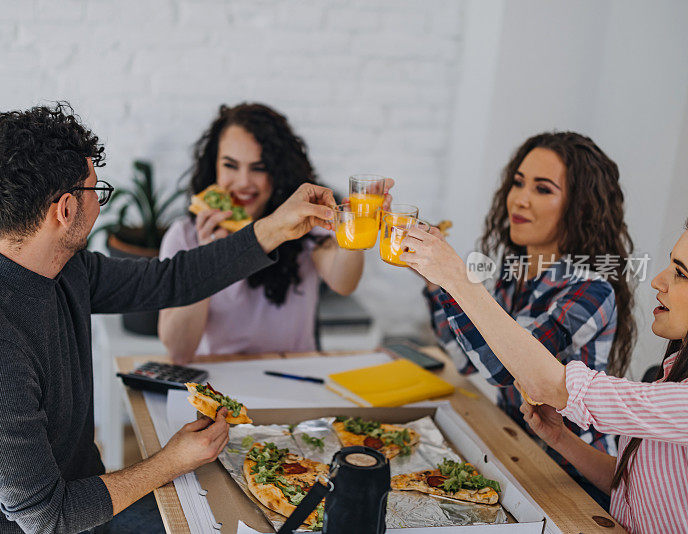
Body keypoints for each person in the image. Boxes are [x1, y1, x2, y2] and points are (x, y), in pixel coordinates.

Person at [0, 103, 336, 534]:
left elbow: (171, 279)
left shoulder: (64, 269)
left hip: (84, 508)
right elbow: (50, 519)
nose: (99, 205)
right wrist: (172, 460)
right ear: (65, 209)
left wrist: (275, 226)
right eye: (94, 191)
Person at [404, 218, 688, 534]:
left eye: (681, 274)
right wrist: (558, 437)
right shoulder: (673, 369)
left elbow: (541, 381)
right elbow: (629, 488)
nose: (658, 281)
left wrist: (454, 277)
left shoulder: (590, 290)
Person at [422, 132, 635, 507]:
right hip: (517, 453)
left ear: (580, 207)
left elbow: (506, 369)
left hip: (572, 479)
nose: (520, 198)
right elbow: (463, 358)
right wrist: (435, 282)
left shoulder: (592, 290)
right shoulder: (513, 272)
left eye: (543, 189)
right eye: (518, 183)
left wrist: (453, 280)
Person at [159, 103, 391, 361]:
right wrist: (208, 258)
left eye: (259, 168)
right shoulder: (184, 236)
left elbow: (344, 283)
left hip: (296, 376)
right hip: (218, 383)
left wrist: (355, 229)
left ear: (278, 172)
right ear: (214, 166)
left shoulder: (302, 224)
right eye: (230, 165)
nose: (244, 181)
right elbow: (178, 350)